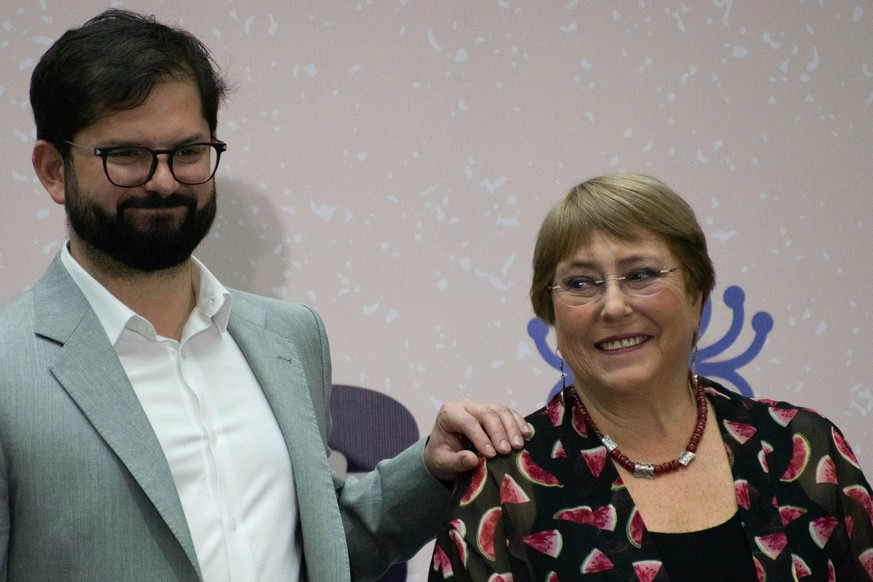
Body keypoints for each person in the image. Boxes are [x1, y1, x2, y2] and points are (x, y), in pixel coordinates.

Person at [0, 9, 533, 582]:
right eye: (126, 154)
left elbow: (318, 548)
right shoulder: (11, 367)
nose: (163, 180)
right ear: (54, 170)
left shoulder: (289, 335)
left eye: (187, 151)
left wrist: (429, 471)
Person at [430, 174, 873, 581]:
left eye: (640, 275)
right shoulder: (505, 484)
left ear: (696, 296)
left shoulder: (804, 447)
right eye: (581, 283)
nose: (614, 306)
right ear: (551, 317)